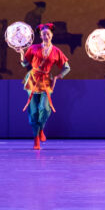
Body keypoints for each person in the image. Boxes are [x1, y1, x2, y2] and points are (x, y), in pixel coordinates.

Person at [20, 22, 70, 150]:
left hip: (46, 80)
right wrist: (21, 53)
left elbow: (66, 67)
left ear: (52, 35)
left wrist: (58, 76)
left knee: (45, 109)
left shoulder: (56, 51)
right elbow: (25, 64)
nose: (46, 36)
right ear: (40, 36)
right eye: (43, 34)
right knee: (34, 111)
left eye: (48, 34)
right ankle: (36, 139)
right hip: (32, 80)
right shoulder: (33, 48)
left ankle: (41, 128)